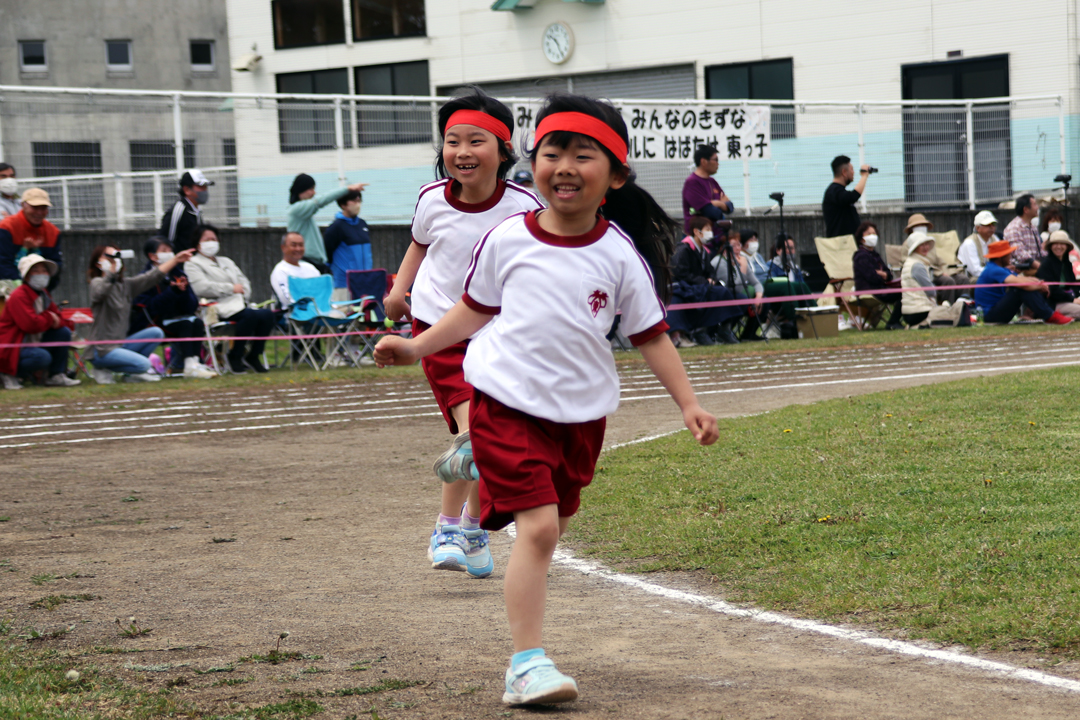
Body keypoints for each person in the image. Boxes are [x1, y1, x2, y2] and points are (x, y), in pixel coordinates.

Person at [373, 93, 718, 707]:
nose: (563, 165)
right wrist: (417, 346)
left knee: (553, 526)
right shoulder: (508, 239)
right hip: (504, 401)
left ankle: (476, 491)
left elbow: (651, 336)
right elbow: (471, 311)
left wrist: (687, 403)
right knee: (536, 531)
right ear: (532, 162)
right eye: (552, 151)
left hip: (581, 417)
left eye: (583, 155)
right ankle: (526, 663)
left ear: (615, 176)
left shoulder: (618, 255)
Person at [383, 87, 543, 582]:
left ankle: (473, 531)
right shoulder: (433, 199)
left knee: (485, 439)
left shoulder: (524, 206)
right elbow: (419, 245)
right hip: (438, 327)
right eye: (452, 142)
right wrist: (398, 291)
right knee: (476, 432)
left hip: (500, 332)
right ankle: (448, 529)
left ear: (503, 150)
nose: (462, 152)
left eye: (476, 141)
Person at [87, 244, 196, 384]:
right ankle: (101, 367)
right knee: (144, 365)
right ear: (98, 263)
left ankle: (130, 374)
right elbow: (99, 293)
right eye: (109, 257)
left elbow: (151, 276)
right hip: (101, 349)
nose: (114, 260)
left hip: (120, 345)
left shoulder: (126, 285)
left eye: (116, 256)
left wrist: (175, 260)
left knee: (156, 332)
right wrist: (112, 272)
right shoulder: (97, 282)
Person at [186, 224, 276, 374]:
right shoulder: (192, 264)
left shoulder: (226, 261)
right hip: (216, 308)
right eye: (207, 239)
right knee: (250, 316)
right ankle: (235, 355)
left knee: (267, 315)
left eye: (214, 239)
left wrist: (242, 292)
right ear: (197, 242)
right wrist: (230, 288)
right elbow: (201, 287)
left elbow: (244, 282)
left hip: (239, 304)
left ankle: (253, 355)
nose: (211, 242)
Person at [129, 237, 217, 379]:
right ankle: (188, 365)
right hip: (156, 323)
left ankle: (195, 362)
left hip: (179, 318)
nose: (169, 254)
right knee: (186, 324)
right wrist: (172, 292)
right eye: (164, 251)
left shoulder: (178, 274)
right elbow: (151, 308)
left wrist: (183, 291)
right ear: (152, 256)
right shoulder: (144, 279)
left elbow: (191, 305)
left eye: (170, 250)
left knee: (196, 321)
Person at [0, 254, 79, 390]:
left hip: (34, 341)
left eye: (44, 271)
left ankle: (56, 375)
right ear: (27, 275)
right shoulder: (19, 295)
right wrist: (49, 318)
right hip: (13, 346)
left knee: (63, 333)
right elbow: (30, 324)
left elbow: (60, 320)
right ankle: (7, 373)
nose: (41, 274)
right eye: (36, 271)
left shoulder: (43, 294)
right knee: (41, 357)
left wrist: (52, 319)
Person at [669, 217, 742, 346]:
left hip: (699, 285)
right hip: (686, 286)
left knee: (724, 293)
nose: (711, 233)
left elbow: (710, 271)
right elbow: (681, 272)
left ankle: (724, 329)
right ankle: (700, 330)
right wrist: (703, 281)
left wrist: (711, 279)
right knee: (715, 293)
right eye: (707, 229)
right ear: (697, 232)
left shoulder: (704, 251)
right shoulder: (684, 249)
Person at [975, 239, 1070, 325]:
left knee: (1024, 287)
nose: (1010, 257)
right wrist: (1040, 286)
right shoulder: (994, 270)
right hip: (989, 316)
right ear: (1001, 257)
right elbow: (1021, 284)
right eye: (1008, 254)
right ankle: (1049, 316)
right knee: (1020, 289)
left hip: (994, 312)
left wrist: (1039, 283)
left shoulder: (1000, 269)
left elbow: (1024, 279)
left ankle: (1047, 315)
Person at [286, 174, 368, 268]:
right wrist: (348, 189)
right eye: (311, 189)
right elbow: (320, 201)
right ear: (301, 189)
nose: (314, 193)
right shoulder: (296, 210)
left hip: (314, 263)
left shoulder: (304, 213)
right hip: (307, 262)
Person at [0, 188, 63, 286]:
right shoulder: (7, 227)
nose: (39, 212)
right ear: (23, 205)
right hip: (8, 288)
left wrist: (44, 289)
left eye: (43, 208)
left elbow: (55, 266)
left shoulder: (53, 232)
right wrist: (20, 290)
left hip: (41, 288)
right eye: (35, 207)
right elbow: (3, 264)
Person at [712, 228, 764, 340]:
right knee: (742, 299)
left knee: (764, 301)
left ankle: (749, 334)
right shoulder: (719, 262)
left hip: (736, 294)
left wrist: (758, 297)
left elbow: (756, 283)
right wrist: (743, 268)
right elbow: (734, 287)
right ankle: (724, 331)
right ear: (724, 248)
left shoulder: (739, 260)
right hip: (723, 296)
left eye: (739, 245)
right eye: (734, 245)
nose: (737, 248)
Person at [852, 221, 902, 329]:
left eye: (874, 233)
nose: (872, 236)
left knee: (905, 291)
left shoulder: (875, 254)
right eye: (868, 234)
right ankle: (893, 322)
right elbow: (871, 277)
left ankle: (894, 321)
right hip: (870, 290)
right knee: (903, 293)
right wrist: (881, 275)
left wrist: (882, 274)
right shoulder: (860, 256)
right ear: (861, 238)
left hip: (881, 288)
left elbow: (889, 274)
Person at [322, 189, 371, 293]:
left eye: (359, 201)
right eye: (353, 201)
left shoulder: (362, 224)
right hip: (344, 283)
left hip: (365, 281)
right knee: (344, 309)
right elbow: (327, 253)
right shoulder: (336, 227)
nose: (357, 204)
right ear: (343, 205)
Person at [763, 233, 814, 331]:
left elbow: (801, 285)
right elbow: (773, 285)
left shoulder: (795, 267)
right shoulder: (770, 266)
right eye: (786, 248)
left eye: (792, 248)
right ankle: (793, 320)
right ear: (778, 250)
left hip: (796, 300)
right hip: (779, 301)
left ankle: (815, 318)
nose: (790, 251)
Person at [681, 144, 732, 234]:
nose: (718, 163)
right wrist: (721, 204)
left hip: (715, 236)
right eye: (715, 160)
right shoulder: (692, 182)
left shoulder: (712, 181)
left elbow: (730, 207)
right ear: (703, 161)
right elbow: (711, 212)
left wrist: (716, 203)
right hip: (698, 236)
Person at [160, 169, 214, 253]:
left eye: (205, 187)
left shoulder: (196, 210)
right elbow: (166, 240)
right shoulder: (178, 210)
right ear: (187, 190)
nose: (205, 191)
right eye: (200, 187)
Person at [822, 155, 870, 237]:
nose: (853, 172)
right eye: (851, 169)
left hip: (846, 244)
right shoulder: (833, 191)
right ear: (844, 172)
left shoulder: (838, 191)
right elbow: (852, 197)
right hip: (840, 245)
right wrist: (864, 176)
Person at [1036, 230, 1080, 319]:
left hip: (1068, 300)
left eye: (1062, 244)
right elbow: (1052, 290)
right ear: (1050, 246)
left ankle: (1060, 317)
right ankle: (1053, 317)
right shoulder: (1046, 264)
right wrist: (1072, 299)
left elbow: (1073, 285)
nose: (1059, 247)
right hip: (1052, 303)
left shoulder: (1067, 264)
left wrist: (1074, 296)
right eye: (1055, 244)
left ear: (1067, 247)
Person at [270, 232, 321, 309]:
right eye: (294, 245)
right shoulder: (280, 271)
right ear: (283, 247)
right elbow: (286, 300)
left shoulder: (310, 268)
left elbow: (322, 293)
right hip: (292, 317)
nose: (298, 249)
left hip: (319, 314)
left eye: (301, 245)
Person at [899, 232, 938, 327]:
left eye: (926, 244)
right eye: (921, 245)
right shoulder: (917, 265)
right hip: (920, 311)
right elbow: (931, 292)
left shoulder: (911, 262)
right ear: (915, 248)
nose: (925, 247)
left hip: (909, 312)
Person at [1003, 194, 1043, 264]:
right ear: (1026, 209)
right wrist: (1038, 265)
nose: (1037, 208)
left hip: (1033, 267)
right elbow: (1018, 253)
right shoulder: (1014, 228)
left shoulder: (1033, 227)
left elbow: (1039, 252)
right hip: (1020, 269)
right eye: (1035, 205)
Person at [959, 211, 997, 279]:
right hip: (971, 278)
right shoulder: (970, 243)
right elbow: (975, 271)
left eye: (993, 224)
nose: (991, 227)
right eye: (987, 224)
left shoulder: (995, 239)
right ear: (977, 228)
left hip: (991, 274)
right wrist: (997, 273)